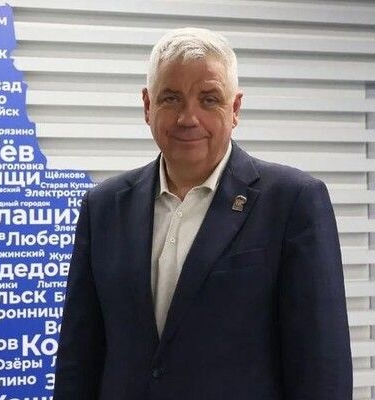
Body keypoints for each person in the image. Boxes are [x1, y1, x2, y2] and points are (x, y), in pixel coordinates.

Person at [53, 27, 353, 399]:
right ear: (147, 105)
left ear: (235, 108)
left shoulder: (293, 203)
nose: (188, 118)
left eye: (209, 99)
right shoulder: (103, 207)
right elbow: (78, 358)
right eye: (171, 98)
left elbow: (322, 368)